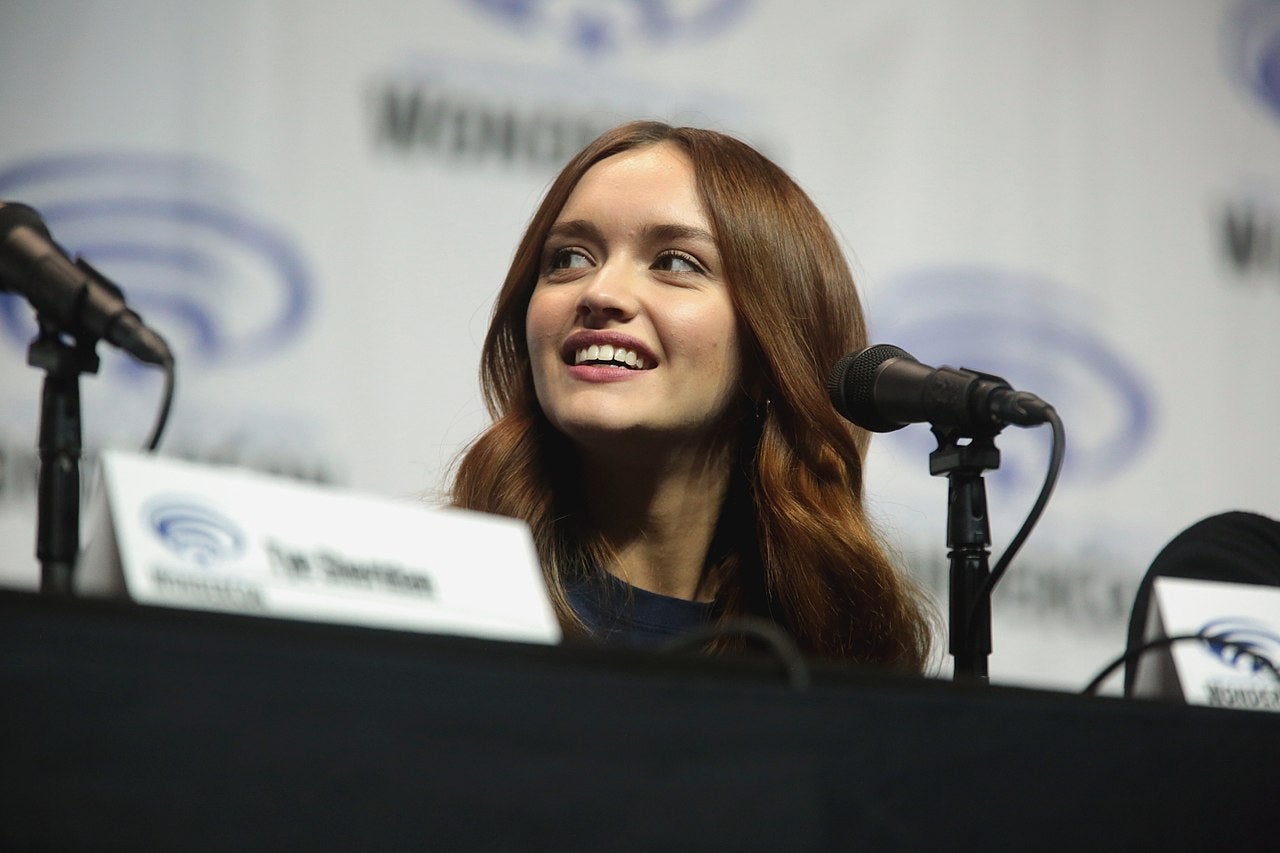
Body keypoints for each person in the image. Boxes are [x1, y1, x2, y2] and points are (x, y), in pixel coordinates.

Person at [450, 120, 933, 670]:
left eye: (675, 262)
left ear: (771, 348)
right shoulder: (439, 596)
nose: (600, 292)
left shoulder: (844, 650)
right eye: (569, 257)